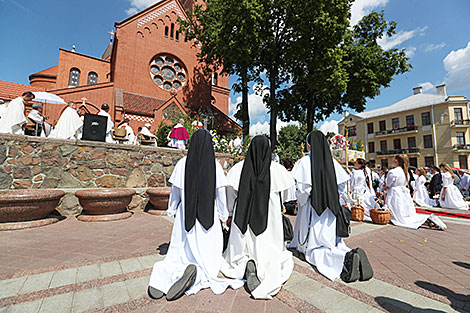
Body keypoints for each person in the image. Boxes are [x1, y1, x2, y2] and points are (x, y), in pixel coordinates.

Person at [148, 129, 243, 301]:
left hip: (187, 214)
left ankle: (184, 270)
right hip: (209, 217)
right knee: (209, 254)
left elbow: (175, 191)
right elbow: (220, 193)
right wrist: (223, 214)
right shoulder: (215, 166)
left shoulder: (182, 163)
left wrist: (172, 209)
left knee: (180, 252)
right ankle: (198, 272)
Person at [221, 136, 295, 299]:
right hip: (270, 217)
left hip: (243, 214)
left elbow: (230, 195)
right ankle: (260, 264)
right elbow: (289, 196)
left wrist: (230, 214)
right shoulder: (278, 170)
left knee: (240, 246)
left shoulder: (237, 169)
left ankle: (243, 262)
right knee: (271, 247)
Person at [289, 131, 366, 282]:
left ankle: (345, 259)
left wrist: (302, 200)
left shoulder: (304, 162)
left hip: (312, 209)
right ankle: (348, 253)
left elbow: (302, 190)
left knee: (314, 248)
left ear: (309, 145)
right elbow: (342, 187)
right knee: (330, 242)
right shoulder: (333, 163)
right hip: (331, 209)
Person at [384, 155, 446, 230]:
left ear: (396, 161)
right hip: (403, 192)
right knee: (403, 210)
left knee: (397, 210)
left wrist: (385, 188)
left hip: (395, 192)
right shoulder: (405, 172)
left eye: (393, 159)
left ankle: (425, 219)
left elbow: (388, 184)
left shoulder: (393, 171)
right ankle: (427, 220)